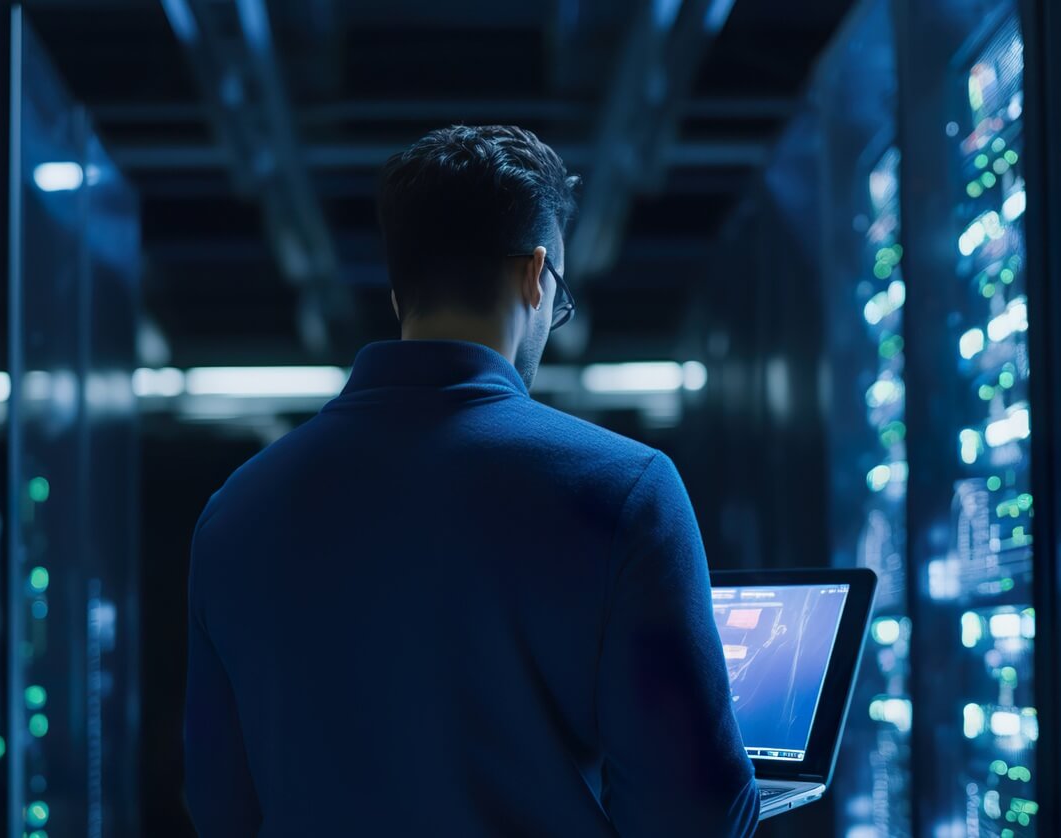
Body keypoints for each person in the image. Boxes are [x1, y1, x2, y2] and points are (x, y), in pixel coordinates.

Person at [184, 124, 759, 837]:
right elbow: (695, 814)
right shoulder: (627, 490)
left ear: (399, 293)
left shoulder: (235, 510)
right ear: (536, 276)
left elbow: (219, 807)